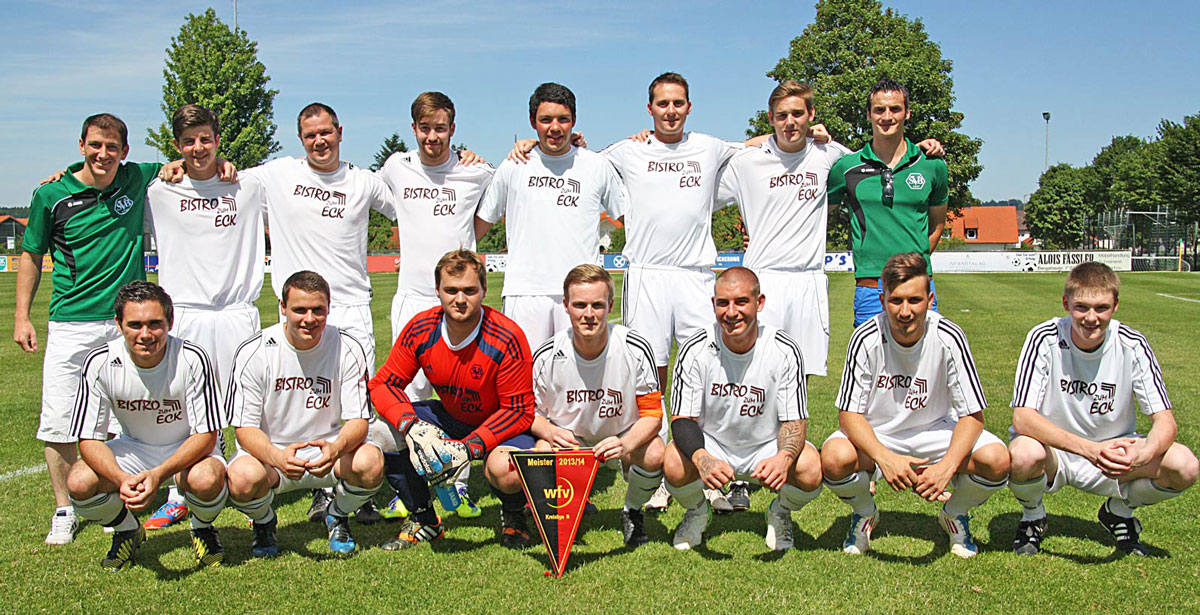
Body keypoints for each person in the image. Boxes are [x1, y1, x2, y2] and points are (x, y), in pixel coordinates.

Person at [16, 114, 165, 545]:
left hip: (126, 325)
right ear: (81, 145)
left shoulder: (138, 177)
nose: (104, 154)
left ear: (126, 151)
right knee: (61, 419)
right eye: (96, 145)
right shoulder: (51, 194)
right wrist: (22, 316)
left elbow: (186, 162)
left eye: (112, 146)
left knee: (132, 416)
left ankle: (124, 494)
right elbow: (31, 254)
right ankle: (64, 508)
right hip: (71, 324)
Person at [821, 252, 1009, 558]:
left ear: (930, 299)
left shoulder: (950, 336)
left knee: (997, 460)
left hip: (936, 431)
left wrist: (946, 467)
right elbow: (849, 415)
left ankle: (955, 513)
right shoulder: (865, 337)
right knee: (833, 458)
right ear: (882, 300)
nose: (905, 311)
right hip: (880, 433)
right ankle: (865, 512)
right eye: (896, 301)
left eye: (915, 300)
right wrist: (885, 458)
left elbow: (973, 416)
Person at [1007, 262, 1197, 556]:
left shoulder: (1132, 344)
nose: (1091, 318)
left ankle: (1119, 512)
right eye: (1081, 307)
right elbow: (1023, 418)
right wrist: (1088, 450)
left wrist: (1142, 455)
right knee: (1022, 454)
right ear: (1066, 303)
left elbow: (1165, 422)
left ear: (1115, 305)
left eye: (1101, 308)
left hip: (1115, 454)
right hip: (1055, 452)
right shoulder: (1044, 337)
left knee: (1185, 465)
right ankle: (1033, 517)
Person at [141, 103, 267, 530]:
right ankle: (182, 492)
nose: (198, 148)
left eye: (206, 139)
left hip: (236, 314)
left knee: (246, 406)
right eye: (189, 141)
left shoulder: (247, 186)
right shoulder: (160, 191)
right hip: (188, 316)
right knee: (190, 409)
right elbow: (105, 173)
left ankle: (252, 483)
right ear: (176, 147)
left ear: (218, 139)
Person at [374, 91, 495, 518]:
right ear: (414, 130)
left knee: (457, 392)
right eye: (425, 129)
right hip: (412, 295)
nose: (432, 137)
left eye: (440, 128)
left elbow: (492, 211)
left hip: (458, 296)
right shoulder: (395, 167)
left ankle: (457, 482)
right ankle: (409, 484)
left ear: (453, 129)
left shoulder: (476, 171)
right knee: (407, 394)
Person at [368, 249, 536, 550]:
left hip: (499, 425)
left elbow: (519, 411)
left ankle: (514, 516)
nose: (460, 299)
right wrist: (410, 426)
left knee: (505, 469)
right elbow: (383, 384)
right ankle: (424, 520)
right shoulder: (421, 328)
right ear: (437, 291)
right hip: (449, 416)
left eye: (470, 290)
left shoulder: (507, 336)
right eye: (451, 290)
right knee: (382, 434)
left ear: (484, 290)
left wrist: (470, 447)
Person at [66, 281, 227, 570]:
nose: (145, 335)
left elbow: (206, 435)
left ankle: (202, 527)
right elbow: (89, 439)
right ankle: (127, 528)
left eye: (155, 324)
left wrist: (158, 475)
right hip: (135, 446)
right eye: (135, 325)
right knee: (78, 482)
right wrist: (120, 479)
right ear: (118, 324)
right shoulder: (100, 362)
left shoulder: (192, 358)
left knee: (207, 479)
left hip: (188, 446)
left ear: (170, 322)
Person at [225, 271, 383, 557]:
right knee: (241, 478)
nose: (309, 318)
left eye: (317, 310)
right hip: (273, 454)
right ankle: (264, 522)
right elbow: (244, 429)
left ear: (329, 308)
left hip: (327, 451)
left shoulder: (347, 347)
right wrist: (276, 456)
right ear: (282, 308)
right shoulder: (255, 350)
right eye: (299, 310)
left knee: (371, 463)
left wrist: (335, 448)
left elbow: (359, 420)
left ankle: (337, 514)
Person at [663, 267, 822, 551]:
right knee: (673, 461)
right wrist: (701, 458)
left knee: (810, 467)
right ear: (713, 305)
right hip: (713, 444)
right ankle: (699, 511)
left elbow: (794, 421)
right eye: (722, 303)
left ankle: (780, 512)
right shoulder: (695, 348)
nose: (731, 312)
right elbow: (682, 418)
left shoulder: (784, 349)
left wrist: (784, 458)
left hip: (766, 446)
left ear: (759, 303)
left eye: (741, 302)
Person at [476, 82, 628, 349]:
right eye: (546, 120)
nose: (555, 128)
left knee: (580, 382)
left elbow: (631, 221)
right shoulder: (513, 165)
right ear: (533, 122)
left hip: (582, 293)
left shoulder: (596, 166)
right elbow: (480, 225)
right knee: (526, 380)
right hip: (525, 293)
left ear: (574, 121)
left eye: (563, 119)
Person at [529, 264, 665, 546]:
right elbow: (531, 414)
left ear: (610, 305)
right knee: (542, 450)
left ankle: (632, 511)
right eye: (579, 305)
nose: (588, 314)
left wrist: (625, 445)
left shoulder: (634, 348)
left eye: (597, 305)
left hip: (622, 435)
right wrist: (551, 433)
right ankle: (564, 516)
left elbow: (653, 414)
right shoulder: (547, 355)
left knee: (654, 453)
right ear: (565, 306)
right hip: (571, 440)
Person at [828, 79, 949, 327]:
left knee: (925, 363)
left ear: (907, 114)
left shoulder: (932, 165)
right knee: (869, 365)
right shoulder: (846, 168)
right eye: (879, 110)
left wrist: (913, 265)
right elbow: (813, 217)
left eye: (895, 109)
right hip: (871, 288)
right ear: (869, 115)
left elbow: (937, 224)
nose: (887, 116)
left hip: (918, 286)